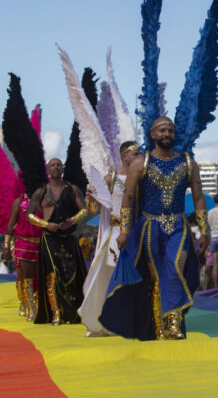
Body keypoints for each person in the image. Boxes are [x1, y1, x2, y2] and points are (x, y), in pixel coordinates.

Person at [99, 117, 208, 340]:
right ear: (153, 134)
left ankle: (174, 323)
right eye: (162, 130)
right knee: (157, 276)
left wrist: (205, 229)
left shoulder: (188, 163)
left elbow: (198, 198)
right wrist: (125, 231)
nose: (166, 133)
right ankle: (159, 325)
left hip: (178, 226)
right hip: (150, 228)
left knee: (175, 266)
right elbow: (127, 199)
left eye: (170, 130)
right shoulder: (141, 164)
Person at [79, 141, 141, 336]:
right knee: (112, 275)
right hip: (115, 233)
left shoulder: (141, 178)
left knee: (135, 277)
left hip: (136, 232)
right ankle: (104, 319)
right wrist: (91, 197)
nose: (138, 156)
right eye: (135, 153)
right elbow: (93, 209)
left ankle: (131, 319)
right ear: (124, 155)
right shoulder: (111, 178)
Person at [27, 158, 88, 325]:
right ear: (47, 169)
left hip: (69, 238)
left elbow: (83, 210)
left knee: (73, 275)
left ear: (63, 168)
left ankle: (75, 313)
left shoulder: (73, 189)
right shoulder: (40, 192)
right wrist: (46, 224)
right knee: (52, 275)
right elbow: (30, 215)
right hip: (49, 239)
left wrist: (72, 221)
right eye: (52, 165)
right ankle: (56, 313)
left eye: (58, 164)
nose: (55, 167)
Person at [4, 193, 43, 321]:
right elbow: (11, 224)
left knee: (39, 278)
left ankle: (38, 306)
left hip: (41, 244)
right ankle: (25, 305)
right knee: (23, 278)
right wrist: (6, 247)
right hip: (23, 243)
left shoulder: (45, 199)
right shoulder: (19, 201)